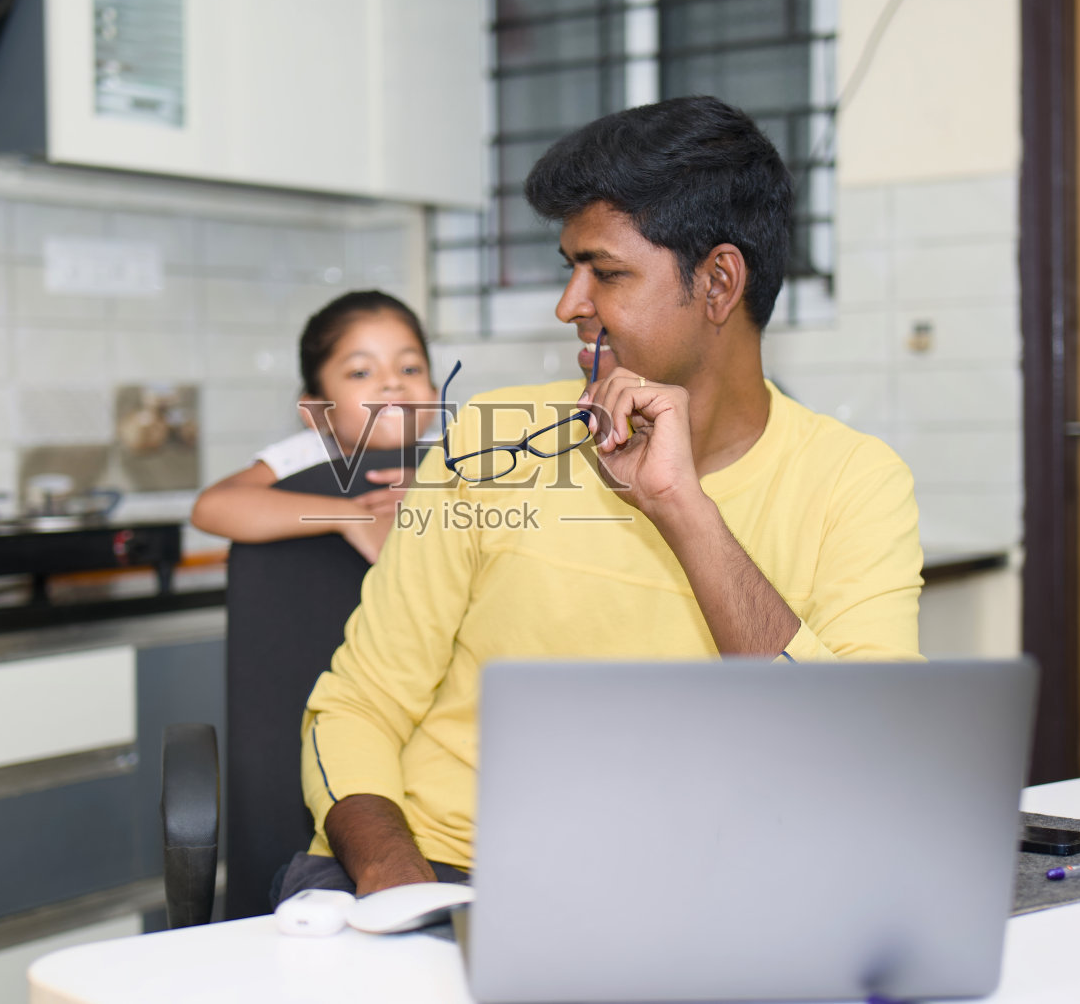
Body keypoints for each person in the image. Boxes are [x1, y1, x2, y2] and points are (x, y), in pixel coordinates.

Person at [286, 96, 925, 900]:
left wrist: (684, 510)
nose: (569, 305)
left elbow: (863, 763)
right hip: (448, 871)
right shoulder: (493, 434)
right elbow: (355, 706)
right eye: (570, 268)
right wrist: (400, 881)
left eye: (608, 272)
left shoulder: (855, 481)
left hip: (693, 900)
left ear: (720, 281)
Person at [189, 290, 436, 562]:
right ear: (317, 412)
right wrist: (350, 516)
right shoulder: (306, 455)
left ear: (435, 394)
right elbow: (211, 507)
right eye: (361, 372)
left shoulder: (457, 452)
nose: (392, 382)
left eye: (410, 369)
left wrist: (444, 494)